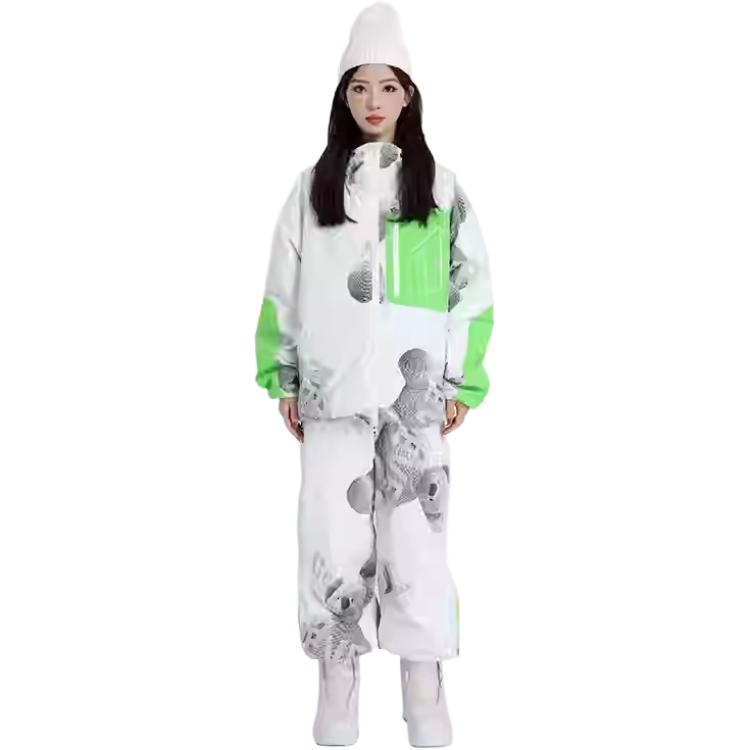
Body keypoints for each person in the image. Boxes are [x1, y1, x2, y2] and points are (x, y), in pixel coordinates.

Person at [254, 2, 494, 745]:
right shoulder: (312, 191)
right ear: (343, 96)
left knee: (416, 543)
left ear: (409, 96)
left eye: (388, 87)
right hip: (331, 398)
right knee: (332, 538)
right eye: (359, 87)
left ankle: (424, 683)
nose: (373, 102)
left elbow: (471, 290)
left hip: (413, 404)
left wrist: (460, 380)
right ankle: (338, 680)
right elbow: (282, 289)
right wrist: (283, 376)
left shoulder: (441, 190)